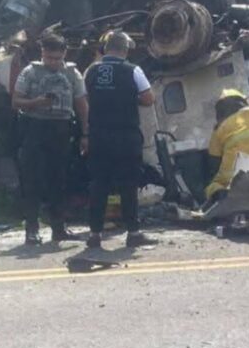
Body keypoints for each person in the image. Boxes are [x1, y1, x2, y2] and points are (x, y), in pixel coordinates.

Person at [12, 34, 89, 246]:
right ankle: (32, 229)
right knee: (32, 180)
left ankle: (58, 227)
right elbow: (16, 101)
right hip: (35, 127)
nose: (53, 62)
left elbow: (81, 103)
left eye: (57, 58)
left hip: (62, 128)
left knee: (59, 179)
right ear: (42, 54)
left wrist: (85, 134)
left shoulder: (72, 73)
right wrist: (35, 102)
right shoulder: (30, 72)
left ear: (64, 54)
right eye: (49, 57)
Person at [83, 31, 158, 249]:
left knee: (98, 184)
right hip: (125, 135)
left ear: (106, 49)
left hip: (98, 135)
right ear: (125, 50)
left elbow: (84, 98)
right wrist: (126, 98)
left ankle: (95, 234)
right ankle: (133, 233)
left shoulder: (91, 70)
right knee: (128, 184)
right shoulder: (133, 70)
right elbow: (148, 98)